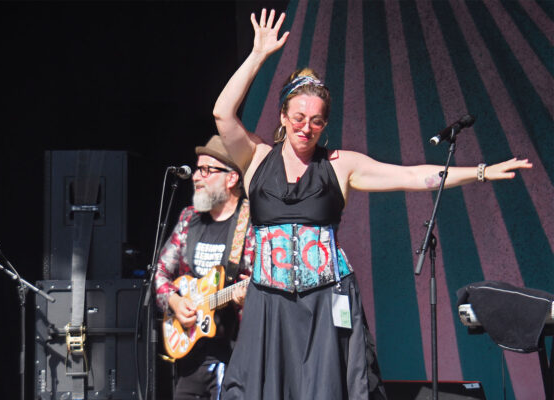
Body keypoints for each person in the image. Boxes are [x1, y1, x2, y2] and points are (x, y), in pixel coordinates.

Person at [212, 9, 533, 400]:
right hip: (268, 303)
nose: (306, 127)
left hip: (325, 298)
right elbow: (222, 113)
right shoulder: (255, 157)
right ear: (282, 115)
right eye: (298, 117)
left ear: (325, 124)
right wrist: (259, 55)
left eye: (316, 121)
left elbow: (414, 176)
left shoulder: (340, 165)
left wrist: (480, 171)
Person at [155, 135, 254, 400]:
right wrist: (174, 302)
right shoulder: (190, 219)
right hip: (192, 356)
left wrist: (247, 300)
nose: (196, 177)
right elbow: (161, 272)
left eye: (206, 170)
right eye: (198, 169)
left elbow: (265, 285)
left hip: (237, 357)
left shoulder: (251, 222)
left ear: (231, 178)